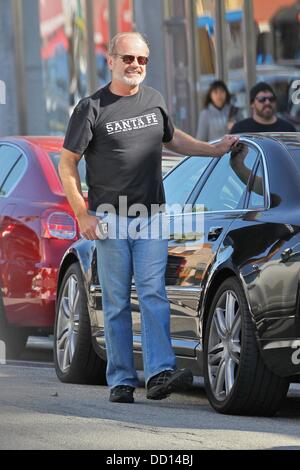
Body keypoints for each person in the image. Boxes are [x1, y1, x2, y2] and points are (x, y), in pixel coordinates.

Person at [59, 32, 239, 404]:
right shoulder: (91, 107)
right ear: (110, 61)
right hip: (110, 219)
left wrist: (213, 149)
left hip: (152, 216)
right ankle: (122, 379)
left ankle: (158, 373)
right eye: (127, 58)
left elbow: (172, 139)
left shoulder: (154, 101)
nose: (135, 66)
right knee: (117, 301)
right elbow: (68, 164)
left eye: (141, 60)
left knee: (154, 293)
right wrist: (82, 214)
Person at [230, 81, 296, 134]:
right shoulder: (240, 130)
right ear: (252, 103)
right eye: (262, 99)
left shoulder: (288, 129)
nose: (267, 102)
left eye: (271, 99)